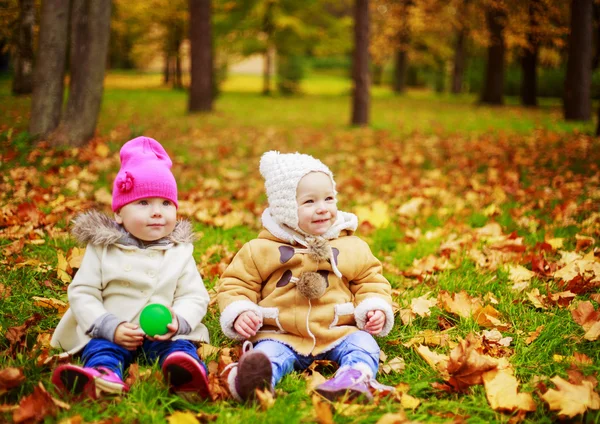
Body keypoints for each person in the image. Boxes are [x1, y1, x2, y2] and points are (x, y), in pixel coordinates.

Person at [217, 151, 394, 402]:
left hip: (338, 330)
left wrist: (374, 308)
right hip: (281, 333)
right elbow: (236, 283)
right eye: (309, 202)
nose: (322, 209)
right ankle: (254, 381)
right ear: (287, 208)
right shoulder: (260, 249)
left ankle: (354, 377)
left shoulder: (351, 246)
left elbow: (371, 280)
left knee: (363, 343)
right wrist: (241, 311)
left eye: (329, 198)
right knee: (267, 354)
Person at [50, 136, 211, 400]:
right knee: (102, 348)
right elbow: (83, 292)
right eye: (144, 202)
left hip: (162, 335)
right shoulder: (103, 249)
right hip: (114, 329)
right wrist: (109, 326)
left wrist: (178, 320)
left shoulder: (180, 251)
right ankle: (103, 376)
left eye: (166, 203)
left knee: (180, 348)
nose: (157, 212)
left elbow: (194, 296)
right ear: (119, 214)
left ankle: (185, 377)